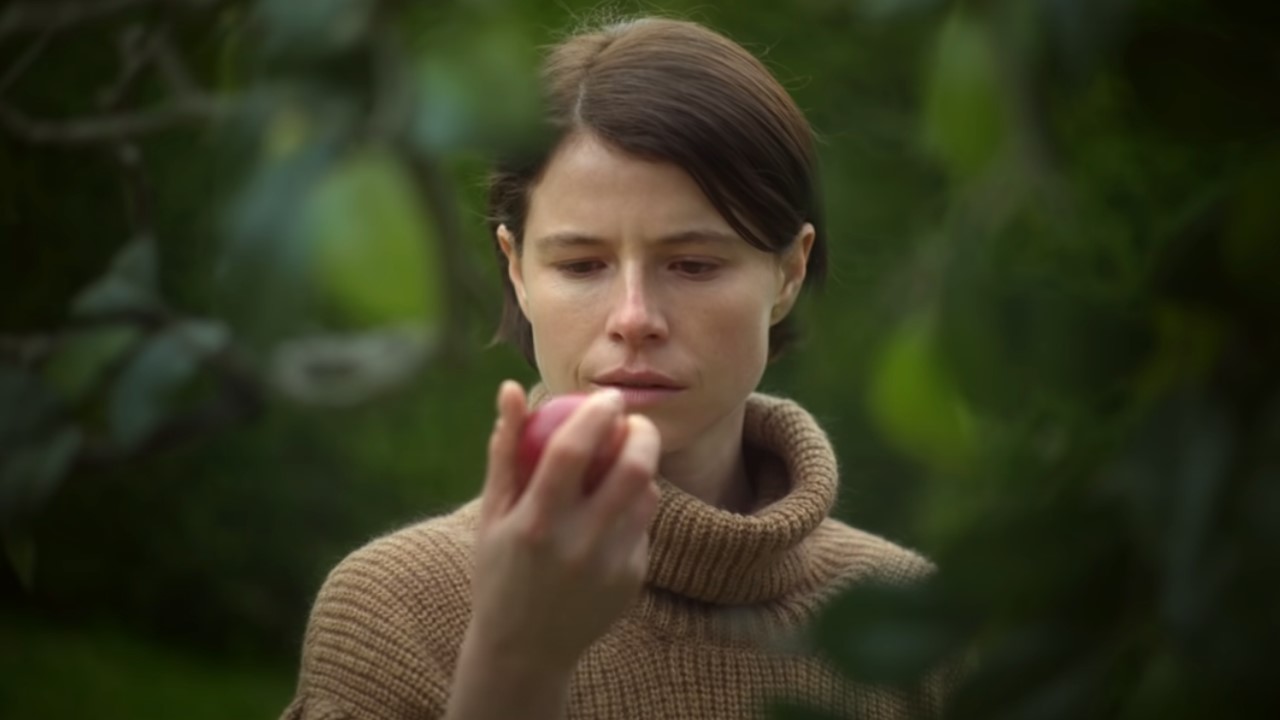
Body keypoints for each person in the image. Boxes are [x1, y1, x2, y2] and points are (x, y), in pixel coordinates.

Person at [281, 16, 946, 720]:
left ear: (788, 274)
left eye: (693, 264)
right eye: (581, 265)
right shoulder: (394, 610)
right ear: (517, 271)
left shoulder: (908, 621)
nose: (634, 316)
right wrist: (516, 658)